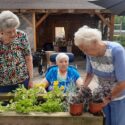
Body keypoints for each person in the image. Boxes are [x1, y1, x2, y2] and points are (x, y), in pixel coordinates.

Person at [74, 25, 125, 125]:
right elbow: (89, 74)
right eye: (82, 50)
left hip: (119, 96)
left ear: (95, 43)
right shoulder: (90, 54)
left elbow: (123, 82)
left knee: (117, 122)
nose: (84, 52)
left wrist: (108, 98)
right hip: (102, 94)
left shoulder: (116, 51)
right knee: (104, 121)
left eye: (85, 49)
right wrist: (82, 89)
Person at [0, 10, 33, 92]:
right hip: (2, 85)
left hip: (22, 82)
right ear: (1, 32)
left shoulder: (22, 36)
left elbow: (28, 58)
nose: (13, 34)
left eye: (14, 30)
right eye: (9, 32)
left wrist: (31, 79)